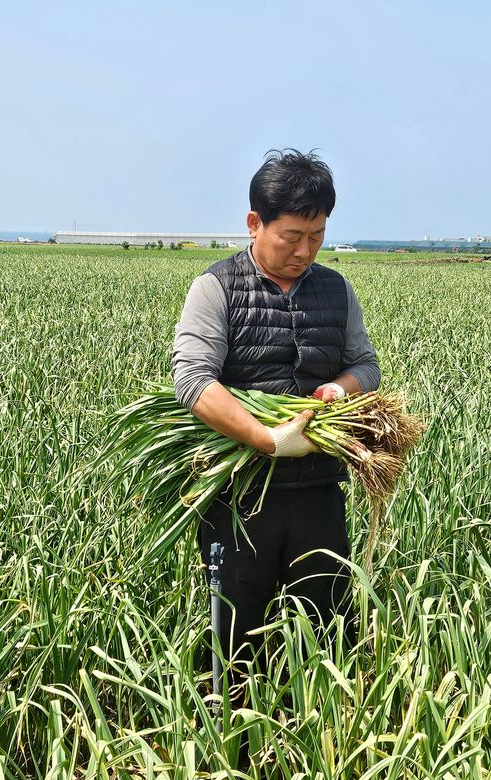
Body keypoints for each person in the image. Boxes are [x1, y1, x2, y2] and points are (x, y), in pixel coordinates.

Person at [171, 149, 380, 676]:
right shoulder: (216, 288)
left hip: (318, 494)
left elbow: (364, 363)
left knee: (328, 633)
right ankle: (227, 741)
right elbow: (194, 382)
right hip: (240, 500)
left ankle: (321, 740)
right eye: (292, 236)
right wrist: (268, 439)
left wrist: (339, 388)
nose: (305, 250)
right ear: (254, 223)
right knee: (232, 641)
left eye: (317, 236)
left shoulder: (337, 290)